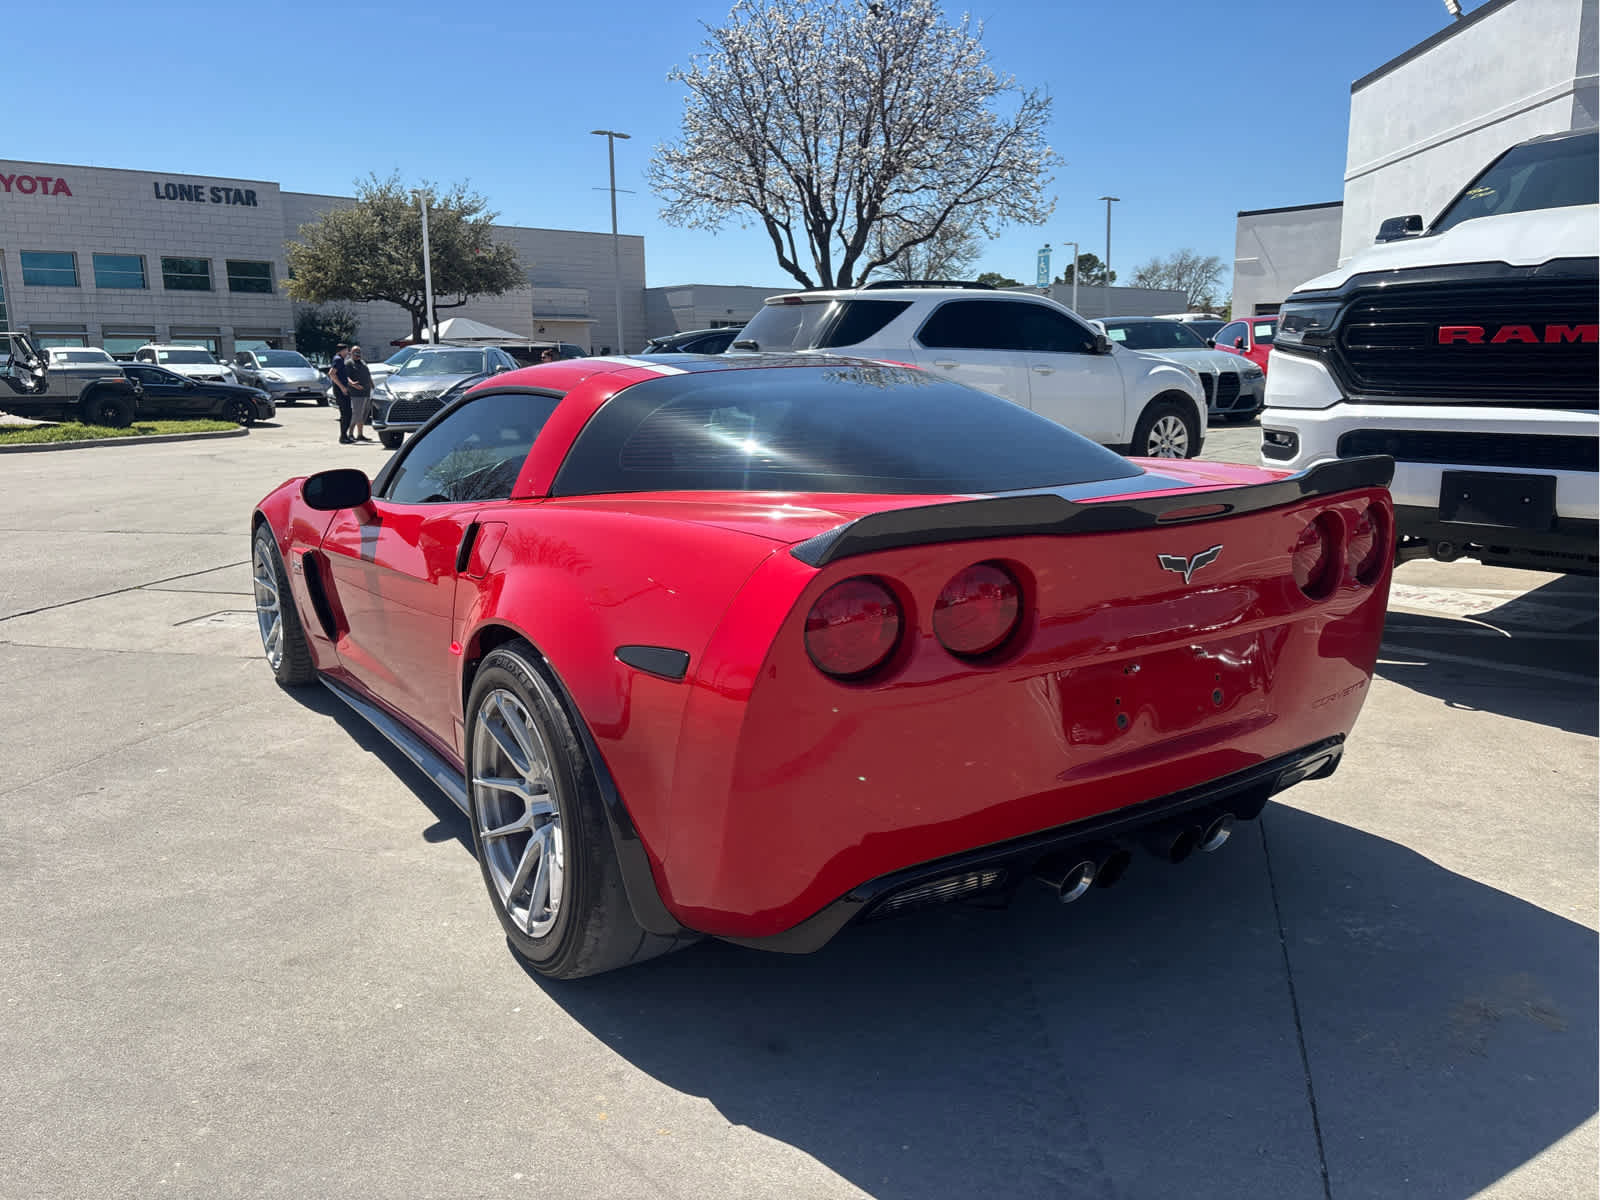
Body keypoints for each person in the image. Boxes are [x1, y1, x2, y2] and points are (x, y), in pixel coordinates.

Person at [346, 345, 374, 442]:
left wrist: (372, 385)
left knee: (363, 415)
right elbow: (346, 377)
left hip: (366, 392)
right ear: (351, 353)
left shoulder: (362, 362)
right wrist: (353, 384)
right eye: (355, 352)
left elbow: (368, 374)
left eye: (359, 352)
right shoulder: (349, 363)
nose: (358, 354)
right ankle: (350, 434)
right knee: (357, 415)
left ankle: (360, 435)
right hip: (356, 394)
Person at [328, 344, 352, 443]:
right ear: (342, 351)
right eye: (347, 350)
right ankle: (343, 437)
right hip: (340, 391)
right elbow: (331, 373)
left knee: (348, 413)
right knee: (345, 414)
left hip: (344, 389)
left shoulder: (341, 360)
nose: (348, 352)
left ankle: (345, 435)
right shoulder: (338, 359)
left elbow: (342, 375)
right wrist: (342, 387)